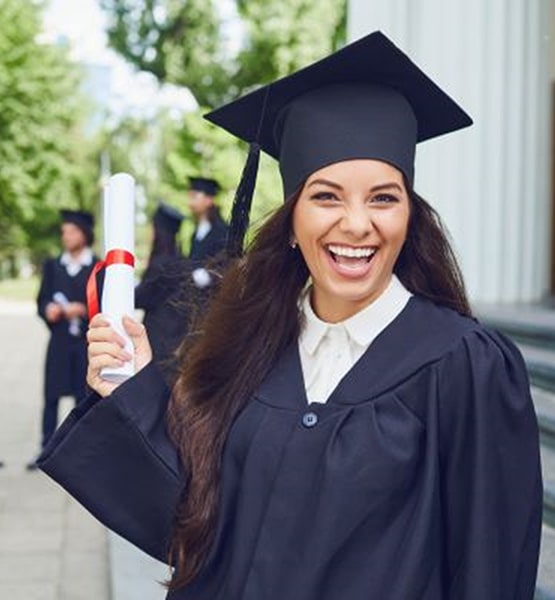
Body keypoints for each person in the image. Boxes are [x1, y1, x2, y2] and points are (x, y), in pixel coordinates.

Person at [38, 31, 542, 599]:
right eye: (326, 196)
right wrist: (132, 391)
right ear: (293, 218)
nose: (356, 224)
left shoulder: (463, 365)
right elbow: (194, 524)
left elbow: (491, 570)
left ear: (410, 215)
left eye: (383, 197)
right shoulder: (252, 344)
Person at [28, 209, 97, 470]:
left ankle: (79, 453)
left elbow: (102, 305)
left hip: (84, 343)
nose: (66, 236)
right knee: (51, 395)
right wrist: (48, 309)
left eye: (71, 231)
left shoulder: (96, 267)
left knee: (84, 397)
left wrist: (84, 310)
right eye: (64, 232)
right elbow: (42, 298)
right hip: (58, 342)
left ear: (85, 234)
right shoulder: (54, 265)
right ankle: (46, 448)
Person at [135, 202, 193, 384]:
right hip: (176, 336)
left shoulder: (161, 264)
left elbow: (141, 298)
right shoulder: (181, 261)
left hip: (158, 339)